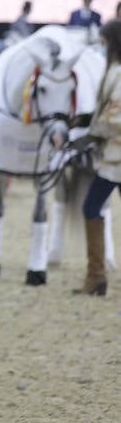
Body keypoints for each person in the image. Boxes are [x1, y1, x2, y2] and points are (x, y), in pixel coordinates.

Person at [74, 18, 121, 297]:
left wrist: (92, 134)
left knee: (91, 207)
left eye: (104, 43)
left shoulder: (117, 72)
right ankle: (96, 277)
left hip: (115, 159)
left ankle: (96, 277)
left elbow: (115, 116)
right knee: (92, 207)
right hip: (113, 157)